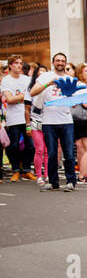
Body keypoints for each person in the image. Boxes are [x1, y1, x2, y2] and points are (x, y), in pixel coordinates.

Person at [30, 52, 79, 192]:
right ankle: (53, 182)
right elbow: (33, 92)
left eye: (63, 61)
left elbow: (74, 104)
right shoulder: (45, 76)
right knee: (51, 153)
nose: (60, 63)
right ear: (53, 62)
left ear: (65, 63)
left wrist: (69, 95)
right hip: (48, 121)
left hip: (66, 120)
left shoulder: (70, 79)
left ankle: (71, 181)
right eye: (57, 60)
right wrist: (48, 84)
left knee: (69, 153)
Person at [0, 54, 36, 182]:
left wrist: (21, 96)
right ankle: (15, 170)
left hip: (27, 117)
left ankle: (26, 170)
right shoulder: (6, 80)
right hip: (13, 118)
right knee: (13, 145)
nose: (19, 66)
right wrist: (25, 95)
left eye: (20, 63)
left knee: (30, 146)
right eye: (16, 63)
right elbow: (9, 99)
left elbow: (32, 95)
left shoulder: (27, 79)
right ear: (10, 65)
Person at [28, 64, 49, 186]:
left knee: (47, 150)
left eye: (44, 73)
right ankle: (38, 175)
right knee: (39, 149)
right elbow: (27, 108)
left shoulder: (52, 88)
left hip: (48, 121)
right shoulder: (31, 89)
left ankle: (47, 174)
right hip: (35, 122)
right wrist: (27, 125)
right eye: (40, 73)